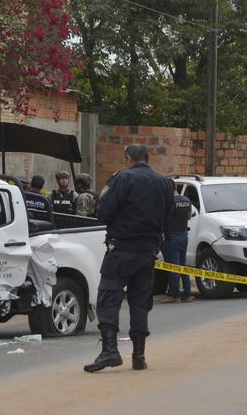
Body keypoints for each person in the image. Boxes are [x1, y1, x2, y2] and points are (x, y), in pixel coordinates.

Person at [84, 144, 173, 373]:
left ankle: (110, 351)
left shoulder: (122, 179)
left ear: (128, 158)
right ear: (147, 158)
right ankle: (138, 355)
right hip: (147, 252)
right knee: (140, 302)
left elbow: (103, 212)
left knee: (108, 298)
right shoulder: (163, 182)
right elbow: (169, 218)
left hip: (121, 250)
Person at [161, 178, 193, 303]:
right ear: (176, 188)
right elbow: (189, 216)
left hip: (172, 237)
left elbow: (163, 219)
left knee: (173, 267)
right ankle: (187, 293)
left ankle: (174, 295)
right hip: (184, 236)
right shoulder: (186, 200)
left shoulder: (169, 202)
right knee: (182, 266)